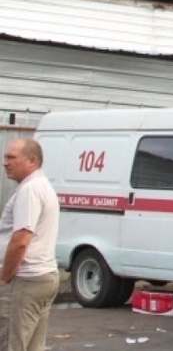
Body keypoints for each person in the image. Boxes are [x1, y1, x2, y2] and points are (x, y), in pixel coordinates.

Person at [0, 138, 60, 351]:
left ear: (32, 160)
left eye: (12, 157)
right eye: (5, 157)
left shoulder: (30, 190)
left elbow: (20, 241)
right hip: (44, 276)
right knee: (33, 346)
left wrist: (3, 278)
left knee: (11, 345)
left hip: (25, 280)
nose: (5, 162)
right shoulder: (42, 186)